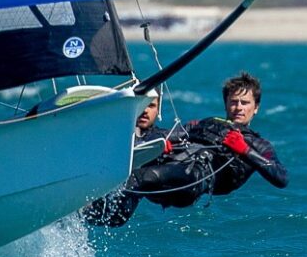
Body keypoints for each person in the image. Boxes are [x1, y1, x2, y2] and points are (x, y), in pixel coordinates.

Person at [83, 71, 287, 227]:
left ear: (256, 107)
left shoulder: (259, 145)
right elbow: (174, 133)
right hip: (171, 170)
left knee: (136, 179)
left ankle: (84, 211)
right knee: (129, 184)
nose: (239, 107)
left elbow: (281, 178)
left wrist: (244, 150)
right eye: (234, 102)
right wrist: (162, 145)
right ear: (226, 103)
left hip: (192, 179)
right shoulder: (206, 122)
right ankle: (79, 217)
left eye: (245, 103)